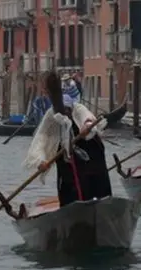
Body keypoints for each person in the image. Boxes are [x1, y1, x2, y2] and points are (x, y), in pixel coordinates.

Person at [23, 72, 111, 207]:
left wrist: (87, 127)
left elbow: (87, 117)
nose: (66, 112)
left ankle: (103, 210)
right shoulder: (51, 116)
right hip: (67, 165)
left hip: (92, 158)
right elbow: (40, 140)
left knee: (98, 189)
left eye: (67, 109)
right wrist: (41, 161)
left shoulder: (78, 108)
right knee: (71, 193)